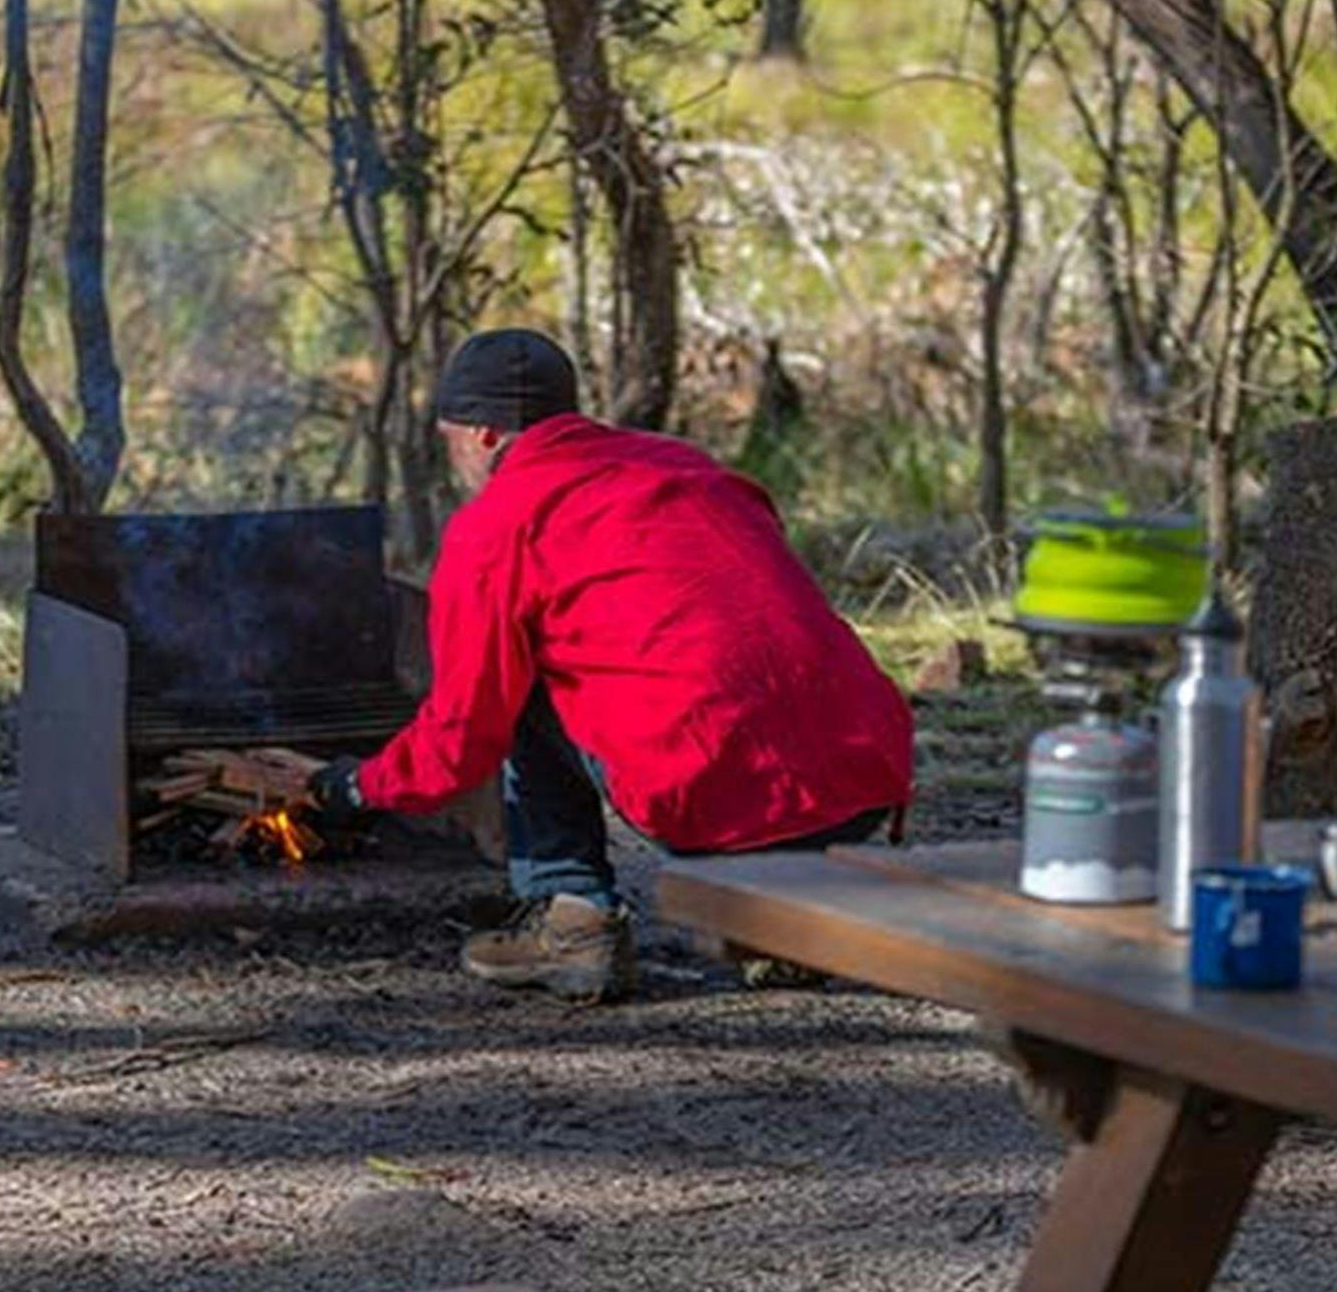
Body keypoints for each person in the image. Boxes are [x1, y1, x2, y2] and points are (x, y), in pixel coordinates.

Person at [309, 329, 913, 1002]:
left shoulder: (498, 524)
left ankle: (573, 922)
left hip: (717, 794)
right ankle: (777, 916)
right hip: (864, 782)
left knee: (513, 680)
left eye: (448, 437)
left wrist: (352, 788)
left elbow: (462, 738)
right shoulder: (689, 468)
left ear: (482, 434)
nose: (451, 455)